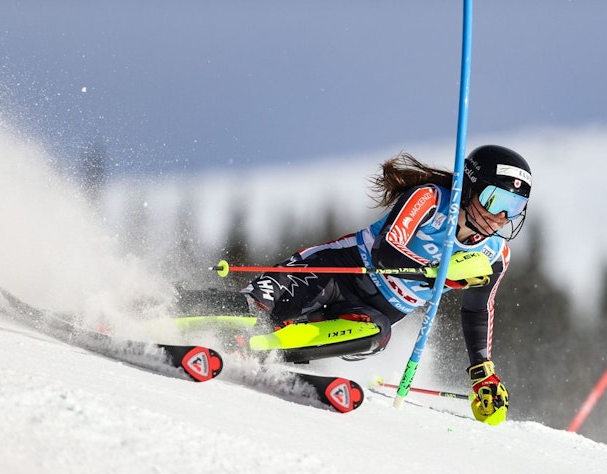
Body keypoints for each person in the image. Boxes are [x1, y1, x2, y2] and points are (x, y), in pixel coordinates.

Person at [175, 145, 532, 424]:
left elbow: (476, 310)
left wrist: (482, 372)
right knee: (256, 309)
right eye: (494, 199)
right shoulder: (430, 199)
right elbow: (386, 252)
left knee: (375, 336)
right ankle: (159, 304)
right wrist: (438, 272)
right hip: (337, 271)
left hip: (376, 310)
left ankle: (255, 349)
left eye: (513, 206)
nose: (501, 215)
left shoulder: (495, 254)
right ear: (469, 188)